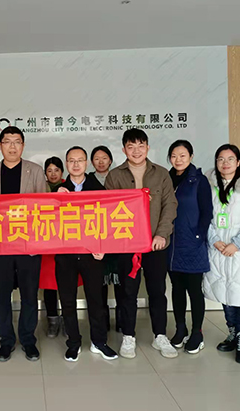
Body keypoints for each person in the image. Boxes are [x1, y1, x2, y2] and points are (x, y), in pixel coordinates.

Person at [105, 128, 178, 359]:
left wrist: (162, 234)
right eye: (131, 146)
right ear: (124, 149)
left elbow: (170, 206)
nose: (136, 151)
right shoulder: (115, 176)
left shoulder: (161, 174)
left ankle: (160, 335)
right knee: (128, 291)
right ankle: (128, 336)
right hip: (127, 245)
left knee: (157, 290)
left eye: (140, 146)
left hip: (156, 243)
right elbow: (108, 209)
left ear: (147, 147)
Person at [0, 126, 48, 362]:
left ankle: (28, 339)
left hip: (29, 244)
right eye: (7, 141)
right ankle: (6, 340)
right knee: (1, 294)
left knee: (29, 293)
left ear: (23, 145)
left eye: (17, 142)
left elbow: (45, 207)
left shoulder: (35, 171)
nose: (12, 146)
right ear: (0, 146)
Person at [56, 146, 118, 361]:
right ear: (66, 164)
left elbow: (109, 220)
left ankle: (99, 342)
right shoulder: (57, 191)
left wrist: (104, 247)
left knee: (96, 300)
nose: (75, 164)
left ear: (87, 163)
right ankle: (73, 343)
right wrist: (54, 200)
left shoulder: (99, 189)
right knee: (68, 300)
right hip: (65, 255)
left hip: (93, 254)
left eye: (80, 160)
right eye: (71, 160)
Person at [204, 144, 240, 365]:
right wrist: (214, 240)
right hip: (218, 249)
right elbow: (205, 217)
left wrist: (236, 245)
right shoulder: (210, 186)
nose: (225, 163)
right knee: (225, 291)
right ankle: (232, 331)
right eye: (220, 159)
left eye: (230, 159)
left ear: (238, 163)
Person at [166, 140, 213, 354]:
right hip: (171, 245)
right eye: (174, 156)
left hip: (192, 242)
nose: (178, 160)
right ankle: (180, 329)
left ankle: (197, 332)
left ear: (191, 157)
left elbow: (207, 212)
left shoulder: (199, 180)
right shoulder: (166, 179)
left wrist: (198, 235)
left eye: (182, 155)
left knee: (194, 290)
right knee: (177, 289)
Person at [90, 145, 121, 331]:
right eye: (96, 159)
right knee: (98, 282)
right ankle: (102, 320)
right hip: (95, 236)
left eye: (104, 158)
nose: (101, 162)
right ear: (91, 162)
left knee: (120, 281)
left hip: (116, 235)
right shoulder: (88, 180)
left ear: (110, 160)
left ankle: (121, 319)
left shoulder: (118, 177)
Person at [42, 156, 64, 337]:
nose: (53, 174)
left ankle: (67, 319)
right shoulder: (40, 189)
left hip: (65, 243)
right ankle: (52, 320)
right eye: (49, 171)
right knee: (49, 283)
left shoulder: (68, 188)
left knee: (66, 283)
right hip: (46, 245)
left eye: (56, 170)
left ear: (62, 172)